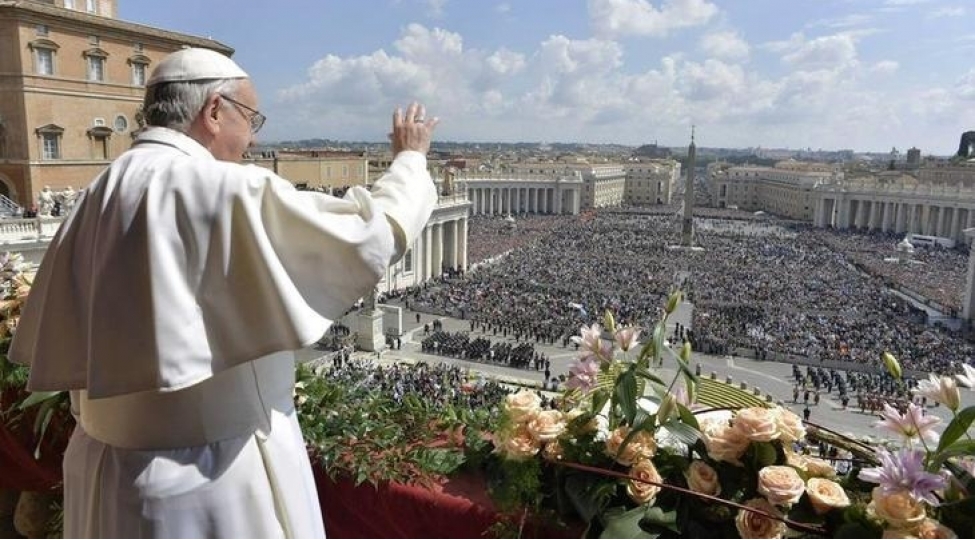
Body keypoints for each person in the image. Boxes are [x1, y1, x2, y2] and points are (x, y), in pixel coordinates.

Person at [9, 47, 439, 538]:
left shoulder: (96, 194)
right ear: (214, 111)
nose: (253, 140)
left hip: (109, 477)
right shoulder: (222, 188)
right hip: (213, 482)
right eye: (251, 119)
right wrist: (410, 160)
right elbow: (368, 237)